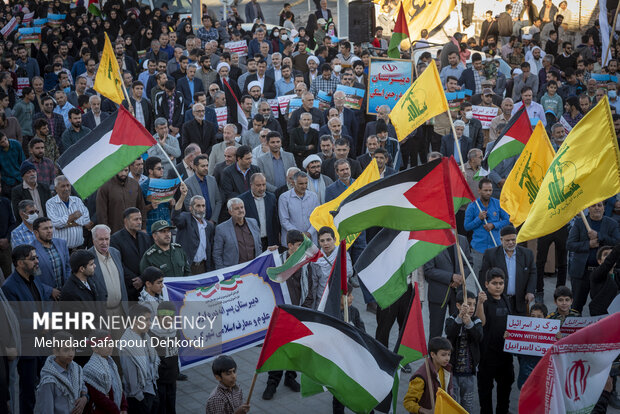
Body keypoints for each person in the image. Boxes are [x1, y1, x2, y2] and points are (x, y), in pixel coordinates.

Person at [262, 230, 312, 401]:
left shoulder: (305, 263)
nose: (302, 249)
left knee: (295, 349)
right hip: (280, 314)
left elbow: (309, 291)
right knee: (277, 350)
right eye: (299, 246)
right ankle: (272, 383)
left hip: (298, 313)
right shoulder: (276, 261)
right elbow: (263, 275)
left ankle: (290, 378)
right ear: (290, 246)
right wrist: (267, 253)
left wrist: (303, 311)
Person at [3, 244, 45, 414]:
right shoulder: (9, 287)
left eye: (36, 257)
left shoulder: (35, 279)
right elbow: (14, 321)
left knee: (43, 389)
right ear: (20, 263)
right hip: (26, 348)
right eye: (32, 258)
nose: (36, 261)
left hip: (42, 344)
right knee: (27, 394)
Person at [567, 202, 620, 312]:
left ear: (604, 208)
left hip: (602, 274)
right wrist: (588, 245)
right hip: (582, 273)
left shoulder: (612, 224)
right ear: (588, 208)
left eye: (599, 205)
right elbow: (570, 244)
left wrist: (599, 236)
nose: (597, 208)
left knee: (602, 307)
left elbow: (617, 243)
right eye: (593, 206)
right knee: (576, 307)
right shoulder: (580, 223)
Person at [477, 267, 514, 414]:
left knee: (505, 387)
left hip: (505, 354)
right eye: (494, 283)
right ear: (486, 284)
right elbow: (481, 322)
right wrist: (480, 304)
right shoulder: (484, 300)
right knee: (485, 390)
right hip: (487, 355)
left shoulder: (506, 299)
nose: (498, 286)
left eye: (501, 283)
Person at [479, 225, 536, 316]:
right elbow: (483, 276)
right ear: (501, 240)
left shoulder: (527, 254)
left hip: (520, 301)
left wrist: (530, 291)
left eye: (513, 240)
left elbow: (532, 273)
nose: (511, 242)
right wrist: (487, 297)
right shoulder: (490, 254)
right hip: (498, 300)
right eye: (507, 240)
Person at [424, 233, 472, 338]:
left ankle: (453, 354)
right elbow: (428, 269)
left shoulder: (462, 239)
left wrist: (459, 278)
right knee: (436, 331)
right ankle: (434, 354)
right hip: (438, 293)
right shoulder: (431, 240)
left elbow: (468, 263)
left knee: (456, 329)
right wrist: (451, 277)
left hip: (458, 292)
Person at [445, 290, 484, 413]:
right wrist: (459, 319)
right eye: (468, 305)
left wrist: (469, 324)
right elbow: (450, 333)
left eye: (474, 304)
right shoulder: (451, 319)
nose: (472, 308)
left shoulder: (476, 321)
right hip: (453, 372)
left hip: (469, 372)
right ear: (458, 305)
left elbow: (479, 337)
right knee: (454, 403)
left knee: (467, 404)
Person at [34, 331, 89, 414]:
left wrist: (84, 398)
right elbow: (46, 410)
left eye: (73, 349)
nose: (71, 354)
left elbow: (82, 385)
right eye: (66, 350)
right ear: (56, 352)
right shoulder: (48, 381)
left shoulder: (77, 369)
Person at [464, 178, 510, 275]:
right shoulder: (472, 206)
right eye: (485, 190)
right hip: (479, 249)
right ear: (479, 190)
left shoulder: (497, 203)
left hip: (495, 246)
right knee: (479, 276)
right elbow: (467, 226)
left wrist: (494, 225)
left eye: (490, 190)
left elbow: (507, 220)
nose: (488, 193)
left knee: (495, 276)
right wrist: (478, 219)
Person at [119, 304, 160, 413]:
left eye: (149, 319)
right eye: (146, 320)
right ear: (136, 321)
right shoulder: (127, 346)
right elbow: (130, 377)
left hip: (151, 390)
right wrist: (141, 398)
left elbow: (152, 362)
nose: (150, 323)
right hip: (140, 398)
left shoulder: (145, 336)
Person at [110, 208, 153, 302]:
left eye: (140, 219)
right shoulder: (115, 239)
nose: (139, 222)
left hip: (146, 285)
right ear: (126, 221)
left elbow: (151, 259)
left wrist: (142, 278)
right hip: (128, 287)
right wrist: (134, 280)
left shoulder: (146, 237)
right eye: (135, 219)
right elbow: (118, 263)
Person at [403, 337, 454, 414]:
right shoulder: (420, 377)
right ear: (433, 354)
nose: (447, 358)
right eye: (443, 355)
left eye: (449, 354)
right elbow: (408, 402)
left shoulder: (446, 370)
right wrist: (426, 411)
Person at [173, 183, 215, 274]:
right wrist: (183, 196)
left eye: (203, 206)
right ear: (191, 208)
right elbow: (176, 218)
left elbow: (210, 248)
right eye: (198, 206)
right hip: (188, 267)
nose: (201, 209)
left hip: (203, 268)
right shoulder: (185, 219)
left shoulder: (209, 226)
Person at [83, 329, 129, 413]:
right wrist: (117, 410)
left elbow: (118, 387)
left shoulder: (111, 363)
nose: (110, 346)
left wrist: (123, 407)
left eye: (110, 343)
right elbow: (99, 398)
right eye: (105, 344)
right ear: (95, 348)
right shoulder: (90, 369)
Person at [89, 224, 129, 320]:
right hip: (101, 313)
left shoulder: (116, 253)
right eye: (101, 239)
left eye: (107, 239)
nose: (105, 243)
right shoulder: (88, 257)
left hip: (120, 310)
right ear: (93, 240)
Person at [213, 198, 262, 269]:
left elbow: (259, 245)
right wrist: (222, 272)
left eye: (242, 207)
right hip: (234, 272)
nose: (241, 210)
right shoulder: (221, 228)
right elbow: (217, 254)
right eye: (237, 208)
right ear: (230, 212)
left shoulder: (253, 222)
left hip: (254, 268)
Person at [46, 175, 92, 250]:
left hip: (80, 247)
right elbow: (55, 223)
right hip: (62, 249)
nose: (66, 189)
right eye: (63, 186)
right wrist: (73, 216)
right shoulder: (50, 203)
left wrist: (65, 223)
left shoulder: (77, 200)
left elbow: (86, 220)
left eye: (68, 185)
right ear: (56, 189)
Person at [150, 301, 180, 414]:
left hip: (171, 377)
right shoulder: (152, 333)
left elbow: (175, 354)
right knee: (161, 407)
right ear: (158, 317)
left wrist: (175, 374)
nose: (167, 320)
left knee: (171, 406)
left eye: (170, 317)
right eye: (164, 317)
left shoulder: (175, 332)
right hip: (160, 379)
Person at [96, 167, 147, 233]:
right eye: (120, 170)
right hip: (114, 231)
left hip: (134, 230)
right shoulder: (105, 186)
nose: (123, 173)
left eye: (126, 170)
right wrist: (105, 231)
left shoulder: (134, 184)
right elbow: (101, 213)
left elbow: (141, 207)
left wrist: (143, 227)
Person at [32, 217, 71, 301]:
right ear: (36, 232)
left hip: (65, 294)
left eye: (51, 227)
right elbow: (31, 277)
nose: (49, 231)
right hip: (45, 298)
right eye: (45, 228)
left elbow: (68, 267)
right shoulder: (31, 250)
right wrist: (49, 291)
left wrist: (67, 285)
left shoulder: (62, 243)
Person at [239, 173, 280, 250]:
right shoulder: (242, 200)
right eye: (258, 185)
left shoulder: (271, 197)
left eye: (264, 185)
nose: (262, 188)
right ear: (251, 185)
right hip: (251, 242)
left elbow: (275, 220)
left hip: (269, 241)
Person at [278, 171, 320, 245]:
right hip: (292, 242)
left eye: (306, 183)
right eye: (301, 184)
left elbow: (317, 217)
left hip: (311, 240)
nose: (304, 186)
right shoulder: (284, 197)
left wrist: (309, 232)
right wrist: (299, 235)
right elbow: (284, 221)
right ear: (293, 183)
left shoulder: (313, 196)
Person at [512, 303, 547, 389]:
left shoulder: (550, 335)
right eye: (533, 316)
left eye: (539, 317)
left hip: (542, 378)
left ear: (545, 319)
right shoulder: (524, 334)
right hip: (525, 378)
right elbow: (514, 352)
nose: (535, 319)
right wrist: (510, 338)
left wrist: (558, 339)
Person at [184, 154, 222, 223]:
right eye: (203, 166)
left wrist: (213, 220)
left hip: (213, 223)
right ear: (195, 167)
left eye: (207, 165)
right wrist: (201, 222)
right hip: (197, 223)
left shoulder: (212, 180)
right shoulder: (187, 183)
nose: (206, 168)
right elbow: (188, 206)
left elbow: (218, 201)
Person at [11, 161, 52, 225]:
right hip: (29, 225)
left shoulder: (44, 187)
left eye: (34, 171)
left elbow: (50, 206)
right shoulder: (17, 191)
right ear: (23, 176)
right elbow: (18, 213)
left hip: (46, 223)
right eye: (28, 172)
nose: (32, 174)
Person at [590, 244, 620, 316]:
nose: (609, 256)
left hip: (615, 313)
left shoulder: (618, 274)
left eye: (611, 254)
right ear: (599, 261)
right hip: (601, 315)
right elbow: (608, 263)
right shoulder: (596, 274)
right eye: (606, 255)